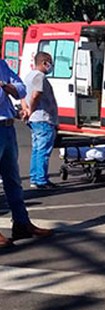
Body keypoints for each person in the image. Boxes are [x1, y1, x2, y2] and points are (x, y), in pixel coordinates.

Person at [0, 59, 53, 248]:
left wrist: (7, 87)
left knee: (13, 180)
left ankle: (22, 223)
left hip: (7, 127)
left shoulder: (2, 65)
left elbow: (21, 89)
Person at [22, 51, 59, 189]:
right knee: (43, 150)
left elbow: (22, 95)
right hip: (43, 118)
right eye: (50, 63)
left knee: (37, 149)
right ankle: (41, 180)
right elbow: (36, 94)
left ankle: (36, 178)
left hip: (35, 119)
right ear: (44, 63)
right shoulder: (39, 76)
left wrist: (26, 110)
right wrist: (31, 109)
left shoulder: (29, 75)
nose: (51, 66)